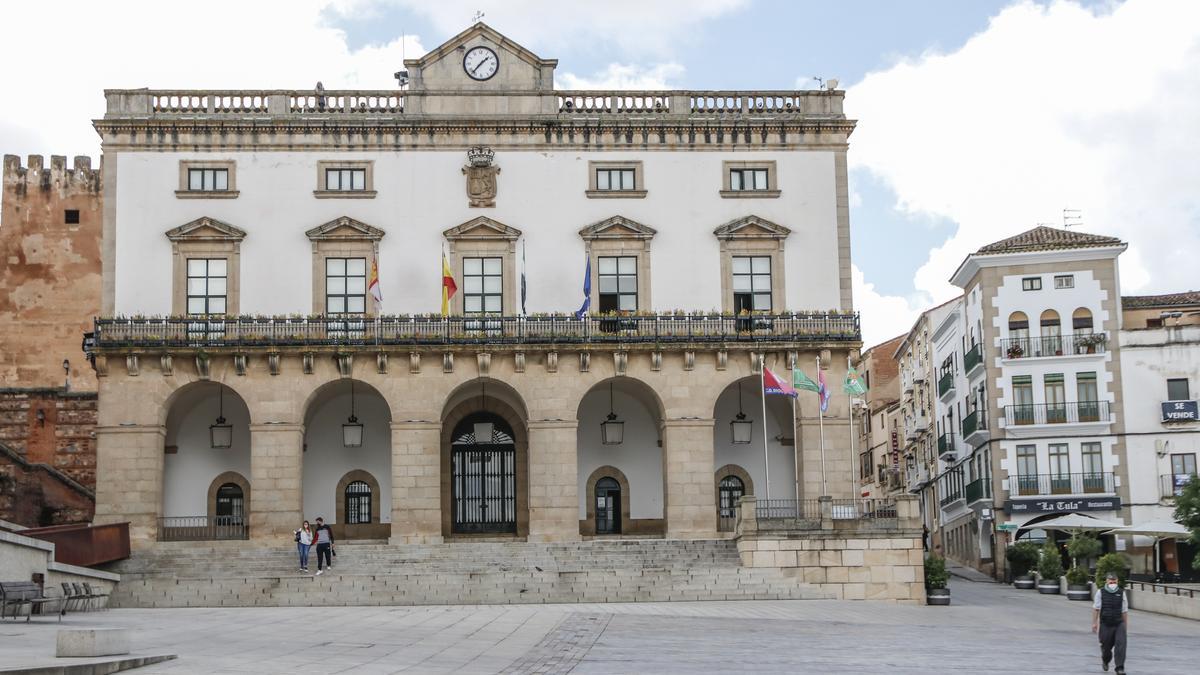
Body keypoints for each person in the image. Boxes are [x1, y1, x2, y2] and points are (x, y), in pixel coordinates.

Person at [1092, 571, 1128, 674]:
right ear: (1107, 581)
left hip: (1118, 623)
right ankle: (1105, 660)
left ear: (1117, 581)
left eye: (1114, 580)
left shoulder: (1121, 593)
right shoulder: (1100, 592)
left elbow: (1124, 611)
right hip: (1105, 623)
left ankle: (1119, 668)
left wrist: (1125, 626)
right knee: (1106, 647)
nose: (1112, 582)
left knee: (1121, 644)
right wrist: (1094, 623)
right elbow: (1096, 608)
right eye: (1110, 580)